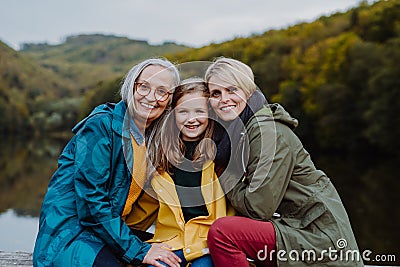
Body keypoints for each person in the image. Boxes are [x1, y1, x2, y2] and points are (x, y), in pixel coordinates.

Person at [204, 57, 362, 267]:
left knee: (223, 233)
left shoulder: (267, 132)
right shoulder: (239, 130)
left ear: (248, 92)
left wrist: (224, 172)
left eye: (231, 90)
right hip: (294, 224)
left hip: (319, 237)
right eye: (216, 93)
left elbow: (257, 209)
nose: (224, 99)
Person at [33, 58, 182, 267]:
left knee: (175, 257)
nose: (151, 97)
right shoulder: (100, 125)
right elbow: (91, 203)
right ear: (131, 87)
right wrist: (139, 250)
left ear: (169, 100)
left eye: (162, 91)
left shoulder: (151, 137)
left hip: (106, 231)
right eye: (144, 87)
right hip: (72, 234)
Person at [147, 78, 233, 267]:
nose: (191, 119)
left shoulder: (221, 154)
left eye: (199, 111)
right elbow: (145, 208)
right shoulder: (162, 156)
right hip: (171, 242)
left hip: (209, 243)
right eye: (183, 111)